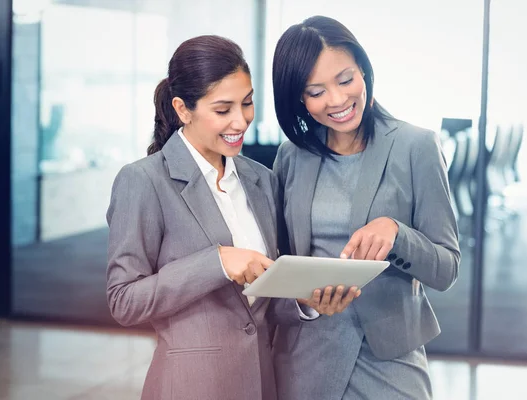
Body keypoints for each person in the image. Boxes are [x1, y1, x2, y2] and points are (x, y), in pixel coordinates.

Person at [106, 35, 357, 400]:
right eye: (223, 110)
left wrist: (305, 301)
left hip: (260, 385)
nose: (241, 121)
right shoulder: (144, 181)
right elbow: (124, 301)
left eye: (248, 103)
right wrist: (217, 262)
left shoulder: (262, 180)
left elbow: (265, 298)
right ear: (183, 109)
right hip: (189, 387)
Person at [271, 16, 461, 400]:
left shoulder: (416, 146)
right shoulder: (292, 156)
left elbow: (447, 269)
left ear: (364, 72)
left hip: (389, 360)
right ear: (299, 99)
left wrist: (397, 233)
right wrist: (302, 301)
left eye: (345, 80)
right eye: (316, 91)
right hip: (307, 357)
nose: (338, 100)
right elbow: (276, 260)